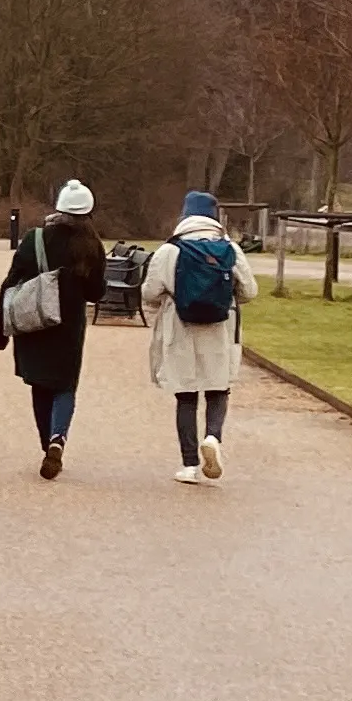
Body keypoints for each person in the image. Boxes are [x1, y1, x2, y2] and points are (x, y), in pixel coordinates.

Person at [0, 178, 108, 478]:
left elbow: (11, 281)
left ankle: (46, 442)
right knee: (65, 384)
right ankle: (58, 438)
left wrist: (1, 327)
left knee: (39, 384)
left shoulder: (34, 240)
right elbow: (96, 293)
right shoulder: (91, 246)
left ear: (58, 208)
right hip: (68, 325)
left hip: (33, 323)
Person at [139, 188, 246, 485]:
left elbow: (149, 293)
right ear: (214, 217)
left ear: (185, 215)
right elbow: (249, 290)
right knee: (217, 389)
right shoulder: (230, 249)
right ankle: (213, 437)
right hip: (219, 329)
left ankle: (189, 465)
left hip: (180, 328)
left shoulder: (169, 251)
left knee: (186, 397)